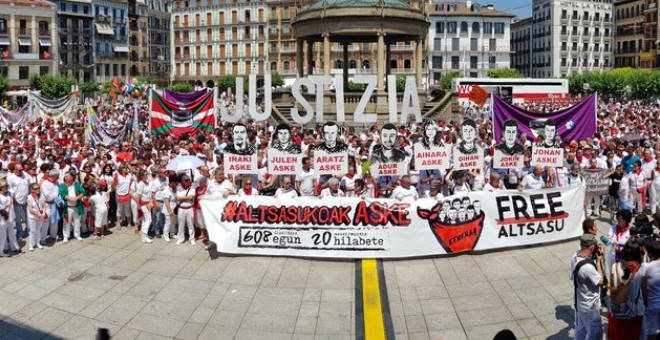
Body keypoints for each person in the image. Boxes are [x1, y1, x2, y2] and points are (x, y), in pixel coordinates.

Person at [570, 233, 604, 340]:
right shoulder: (588, 267)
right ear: (591, 247)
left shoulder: (574, 257)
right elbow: (601, 282)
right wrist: (598, 262)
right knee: (595, 336)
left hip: (580, 303)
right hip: (591, 307)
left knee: (580, 331)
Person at [59, 172, 85, 242]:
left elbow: (83, 192)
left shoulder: (77, 184)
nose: (65, 177)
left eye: (67, 176)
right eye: (65, 176)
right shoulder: (63, 185)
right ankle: (66, 236)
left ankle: (77, 235)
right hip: (68, 207)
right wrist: (71, 199)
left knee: (77, 221)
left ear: (72, 177)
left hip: (77, 206)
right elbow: (62, 194)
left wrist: (77, 198)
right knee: (67, 222)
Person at [643, 236, 660, 340]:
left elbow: (643, 289)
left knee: (651, 332)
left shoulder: (646, 267)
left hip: (651, 304)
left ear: (650, 254)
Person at [176, 174, 196, 245]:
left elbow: (191, 198)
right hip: (181, 208)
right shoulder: (178, 187)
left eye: (189, 180)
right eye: (186, 180)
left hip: (189, 208)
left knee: (190, 224)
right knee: (181, 224)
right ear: (182, 181)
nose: (188, 181)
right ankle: (181, 238)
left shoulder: (192, 187)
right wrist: (187, 197)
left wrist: (183, 197)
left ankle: (192, 238)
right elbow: (178, 198)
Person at [135, 170, 154, 244]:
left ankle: (144, 237)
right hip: (144, 204)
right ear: (141, 176)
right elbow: (138, 196)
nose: (147, 175)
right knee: (149, 220)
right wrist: (139, 205)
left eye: (147, 174)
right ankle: (144, 234)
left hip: (148, 203)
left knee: (145, 220)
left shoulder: (146, 183)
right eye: (145, 174)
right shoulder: (141, 184)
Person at [26, 183, 46, 251]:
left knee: (38, 229)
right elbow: (30, 209)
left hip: (40, 215)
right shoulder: (29, 197)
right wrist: (38, 214)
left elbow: (44, 205)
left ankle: (38, 242)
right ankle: (31, 244)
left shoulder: (42, 196)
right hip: (33, 217)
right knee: (32, 230)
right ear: (32, 190)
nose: (38, 189)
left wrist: (43, 213)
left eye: (38, 188)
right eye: (36, 188)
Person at [161, 175, 179, 243]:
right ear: (171, 182)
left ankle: (172, 234)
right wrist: (170, 211)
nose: (176, 184)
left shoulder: (175, 189)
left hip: (174, 209)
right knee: (168, 223)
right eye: (175, 183)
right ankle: (165, 235)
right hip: (168, 209)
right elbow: (166, 202)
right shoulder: (166, 190)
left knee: (173, 222)